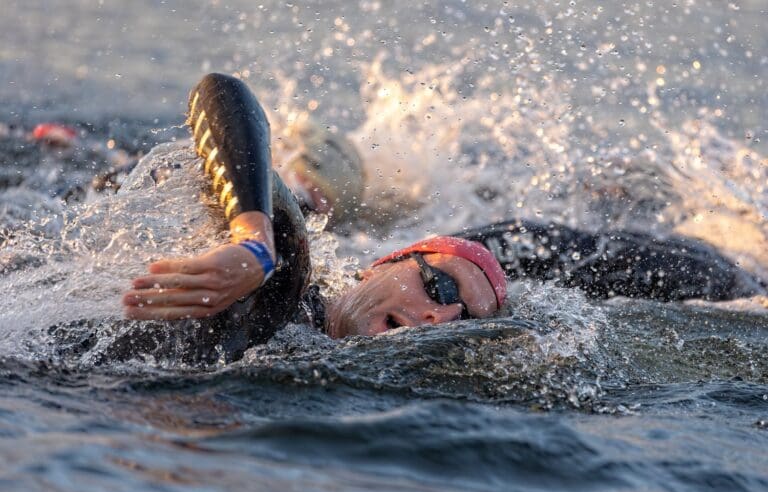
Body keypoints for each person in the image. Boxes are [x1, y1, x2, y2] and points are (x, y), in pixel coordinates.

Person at [121, 73, 765, 360]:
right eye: (438, 292)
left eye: (460, 323)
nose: (438, 318)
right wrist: (254, 243)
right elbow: (221, 92)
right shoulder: (279, 283)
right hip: (506, 245)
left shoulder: (311, 326)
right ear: (391, 262)